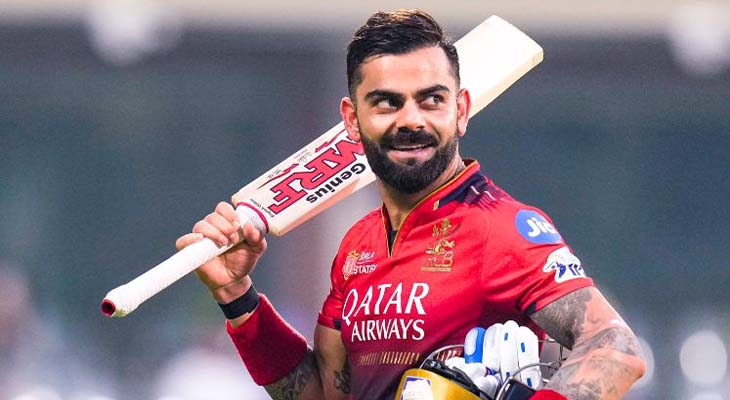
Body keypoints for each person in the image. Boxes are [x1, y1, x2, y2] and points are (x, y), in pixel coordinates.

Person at [175, 9, 646, 400]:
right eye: (386, 103)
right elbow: (322, 393)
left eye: (431, 100)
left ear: (461, 110)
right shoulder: (358, 245)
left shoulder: (501, 229)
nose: (411, 120)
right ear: (352, 120)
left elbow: (615, 348)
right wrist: (237, 296)